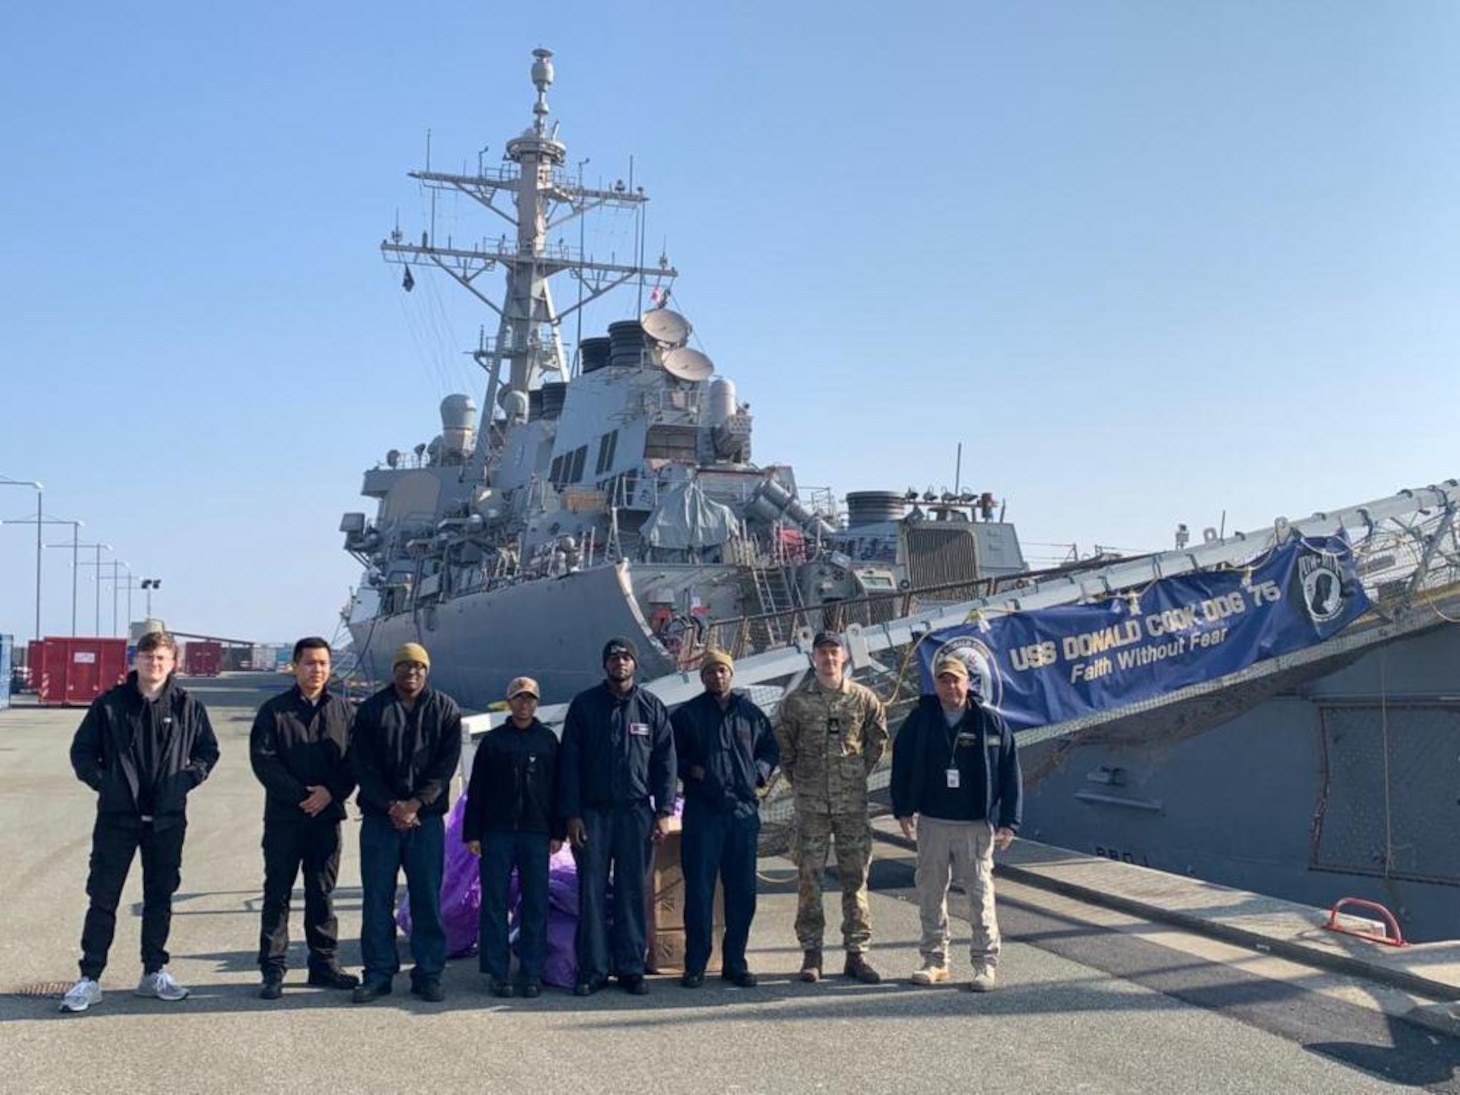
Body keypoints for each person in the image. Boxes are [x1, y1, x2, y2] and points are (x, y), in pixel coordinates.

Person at [60, 631, 220, 1013]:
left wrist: (186, 780)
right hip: (118, 819)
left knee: (160, 896)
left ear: (173, 663)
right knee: (103, 896)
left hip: (166, 819)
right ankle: (90, 977)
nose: (155, 664)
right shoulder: (110, 705)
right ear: (136, 660)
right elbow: (82, 752)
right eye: (148, 657)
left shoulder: (188, 707)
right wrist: (106, 784)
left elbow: (208, 751)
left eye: (162, 658)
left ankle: (153, 972)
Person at [890, 655, 1021, 992]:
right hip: (933, 821)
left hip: (974, 824)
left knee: (980, 894)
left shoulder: (990, 723)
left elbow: (1010, 771)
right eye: (944, 680)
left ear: (968, 683)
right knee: (930, 893)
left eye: (956, 680)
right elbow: (901, 763)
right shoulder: (921, 720)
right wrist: (903, 808)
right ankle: (934, 960)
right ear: (936, 685)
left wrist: (1010, 820)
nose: (951, 687)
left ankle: (985, 964)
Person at [558, 637, 676, 996]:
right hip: (592, 814)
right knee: (591, 892)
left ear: (635, 665)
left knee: (631, 892)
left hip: (636, 813)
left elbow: (665, 763)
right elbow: (570, 765)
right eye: (614, 658)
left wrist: (664, 811)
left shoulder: (651, 708)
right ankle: (592, 970)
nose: (620, 663)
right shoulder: (584, 706)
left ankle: (629, 967)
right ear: (605, 665)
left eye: (626, 658)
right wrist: (572, 815)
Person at [349, 642, 462, 1004]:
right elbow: (362, 765)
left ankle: (428, 974)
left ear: (427, 671)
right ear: (394, 670)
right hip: (381, 821)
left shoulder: (445, 709)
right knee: (377, 898)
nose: (411, 672)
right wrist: (391, 805)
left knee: (427, 898)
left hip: (425, 820)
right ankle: (378, 973)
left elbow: (445, 766)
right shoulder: (371, 710)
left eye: (418, 667)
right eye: (405, 666)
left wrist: (414, 804)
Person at [774, 630, 888, 984]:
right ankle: (812, 953)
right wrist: (801, 780)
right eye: (822, 653)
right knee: (810, 877)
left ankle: (856, 954)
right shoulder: (796, 703)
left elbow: (877, 742)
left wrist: (855, 775)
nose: (828, 659)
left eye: (834, 652)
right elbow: (784, 746)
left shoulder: (864, 699)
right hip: (811, 805)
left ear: (844, 657)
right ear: (813, 658)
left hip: (851, 804)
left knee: (856, 878)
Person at [248, 637, 360, 999]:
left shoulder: (345, 711)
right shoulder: (274, 712)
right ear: (295, 666)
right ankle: (273, 969)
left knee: (322, 893)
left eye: (324, 663)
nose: (317, 670)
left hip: (326, 819)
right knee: (277, 894)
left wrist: (330, 793)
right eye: (310, 663)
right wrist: (301, 796)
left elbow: (355, 760)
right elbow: (264, 760)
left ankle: (324, 965)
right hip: (284, 819)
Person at [671, 649, 778, 988]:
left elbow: (770, 750)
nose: (716, 677)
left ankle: (735, 961)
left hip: (742, 813)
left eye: (722, 671)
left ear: (731, 674)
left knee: (742, 891)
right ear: (702, 678)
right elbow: (671, 755)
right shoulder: (687, 715)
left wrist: (758, 775)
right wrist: (694, 771)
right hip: (703, 813)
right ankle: (696, 963)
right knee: (699, 891)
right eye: (710, 672)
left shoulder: (751, 714)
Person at [462, 675, 563, 999]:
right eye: (519, 697)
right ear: (509, 701)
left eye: (530, 698)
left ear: (537, 702)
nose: (525, 703)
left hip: (536, 832)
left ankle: (531, 971)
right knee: (494, 903)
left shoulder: (548, 741)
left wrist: (558, 831)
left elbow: (558, 791)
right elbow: (475, 790)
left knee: (535, 903)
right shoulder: (493, 742)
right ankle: (497, 971)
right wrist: (472, 833)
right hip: (497, 832)